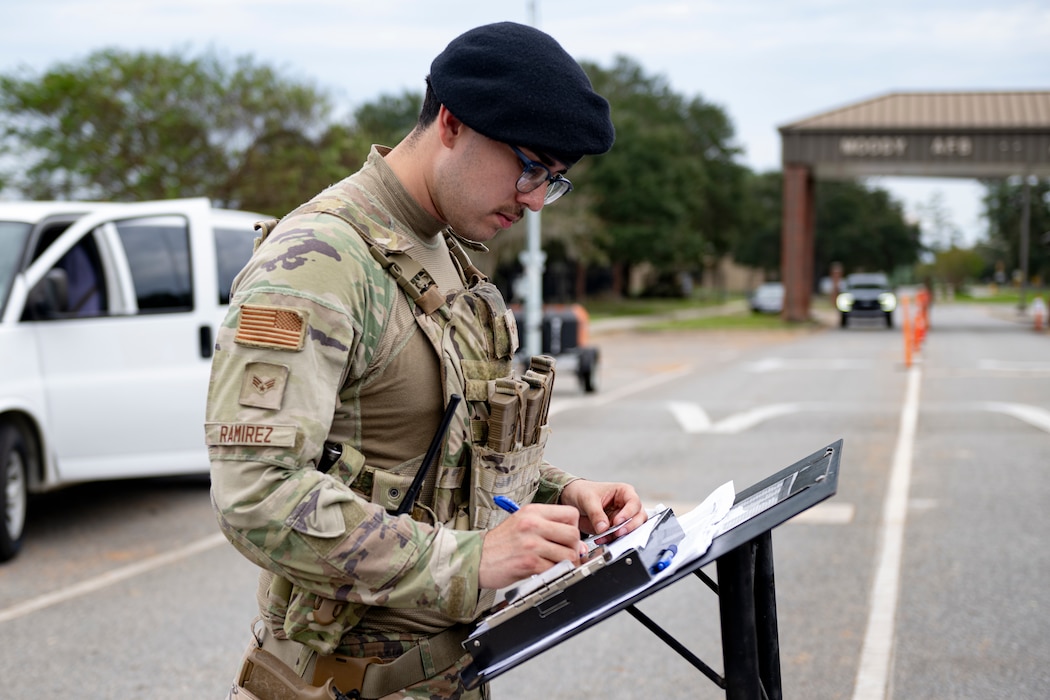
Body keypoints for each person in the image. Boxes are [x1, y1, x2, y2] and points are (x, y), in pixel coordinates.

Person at [205, 21, 647, 700]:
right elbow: (254, 493)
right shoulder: (320, 262)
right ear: (451, 123)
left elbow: (452, 447)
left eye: (552, 181)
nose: (533, 200)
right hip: (340, 683)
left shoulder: (441, 250)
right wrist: (471, 560)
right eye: (529, 166)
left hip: (445, 673)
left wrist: (563, 496)